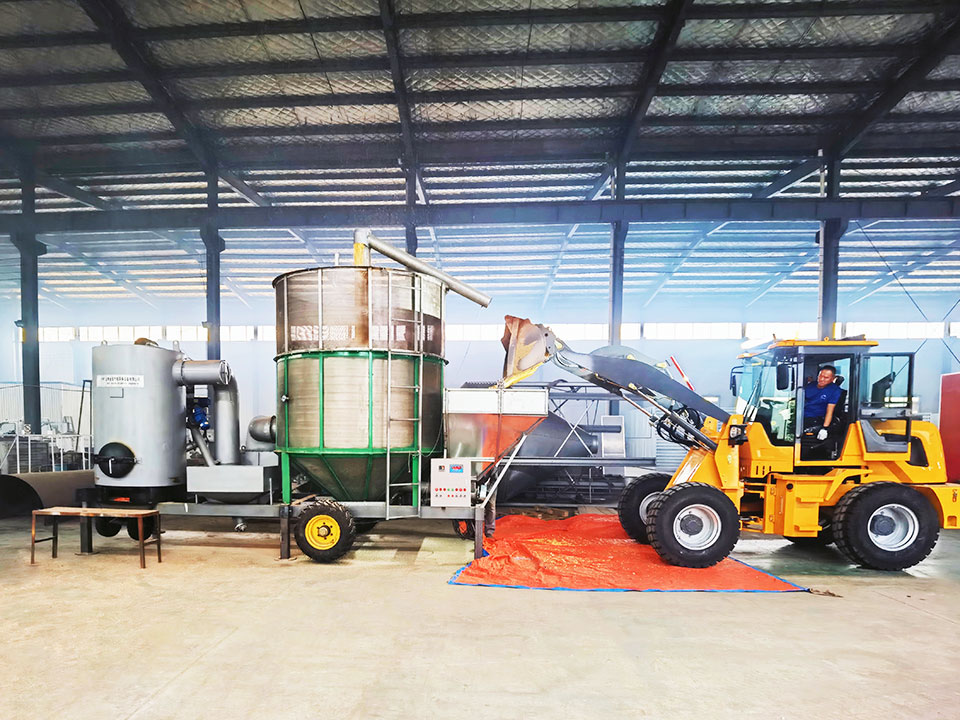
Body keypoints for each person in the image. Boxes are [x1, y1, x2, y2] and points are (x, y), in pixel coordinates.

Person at [804, 365, 842, 441]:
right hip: (802, 416)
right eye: (820, 376)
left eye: (826, 378)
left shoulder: (835, 391)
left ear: (833, 379)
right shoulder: (810, 386)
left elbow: (830, 411)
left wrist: (825, 428)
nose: (821, 379)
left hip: (816, 419)